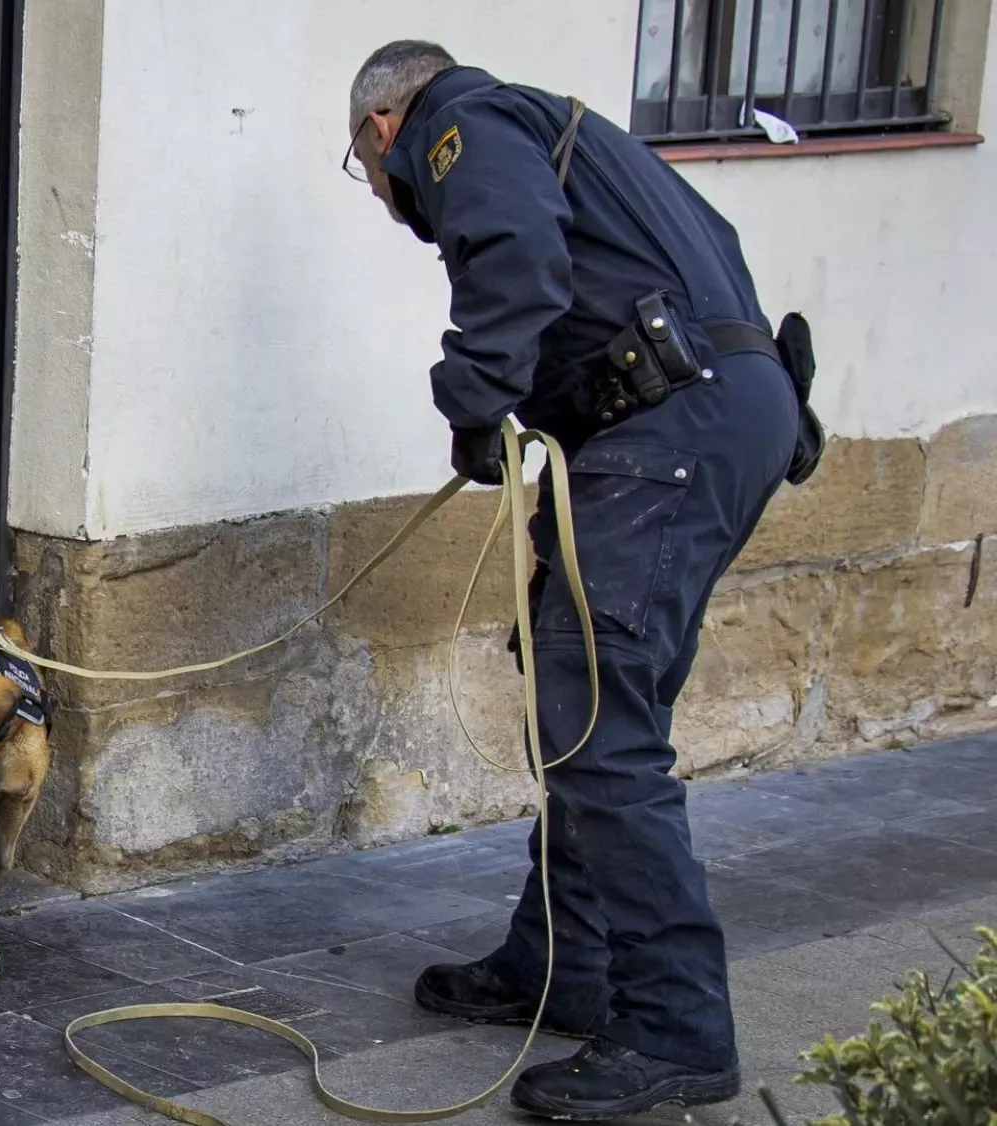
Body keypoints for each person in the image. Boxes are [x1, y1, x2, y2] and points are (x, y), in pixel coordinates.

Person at [343, 41, 821, 1120]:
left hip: (669, 427)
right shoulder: (566, 130)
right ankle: (559, 963)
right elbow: (715, 246)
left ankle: (675, 1026)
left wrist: (475, 397)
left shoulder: (458, 122)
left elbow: (516, 252)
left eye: (365, 169)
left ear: (380, 129)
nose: (378, 189)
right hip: (717, 415)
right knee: (592, 707)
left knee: (598, 724)